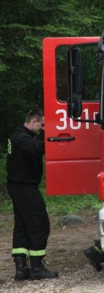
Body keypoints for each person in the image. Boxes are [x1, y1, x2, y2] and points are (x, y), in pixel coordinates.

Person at [6, 108, 58, 280]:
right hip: (25, 188)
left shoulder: (16, 135)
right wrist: (51, 138)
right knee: (39, 224)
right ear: (34, 122)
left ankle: (21, 269)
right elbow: (36, 148)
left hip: (17, 187)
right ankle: (37, 267)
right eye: (42, 125)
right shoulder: (23, 139)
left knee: (22, 226)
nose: (42, 128)